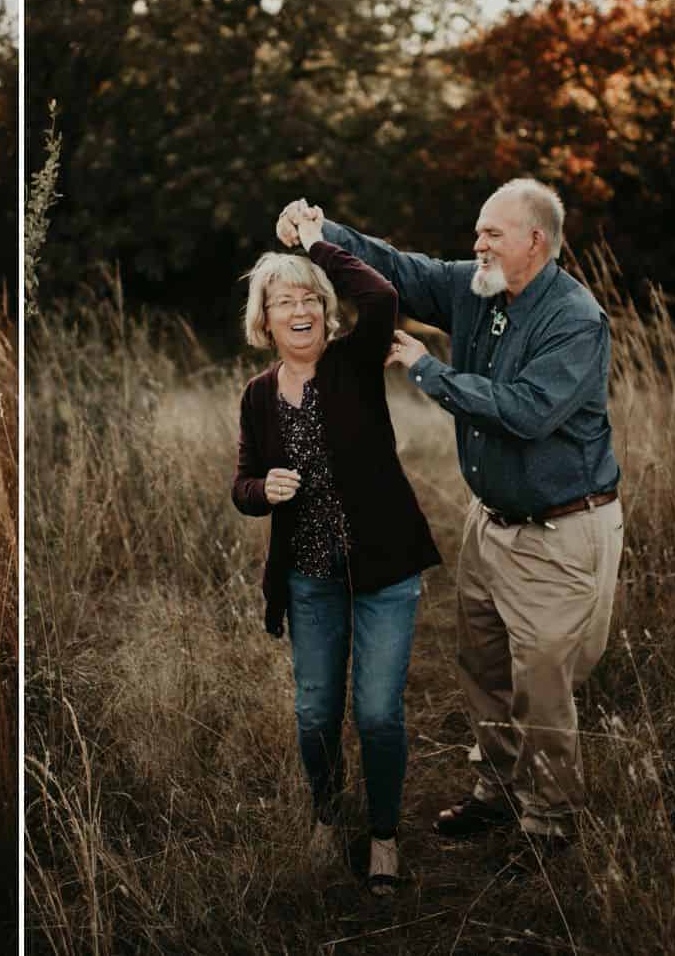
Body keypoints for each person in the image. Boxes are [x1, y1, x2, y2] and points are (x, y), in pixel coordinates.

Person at [287, 181, 623, 856]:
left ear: (536, 240)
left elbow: (526, 412)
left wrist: (427, 370)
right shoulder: (478, 287)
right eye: (478, 232)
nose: (478, 244)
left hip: (560, 530)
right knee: (483, 666)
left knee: (542, 682)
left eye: (492, 233)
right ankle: (497, 792)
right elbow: (401, 269)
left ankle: (549, 822)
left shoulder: (574, 320)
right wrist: (322, 234)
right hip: (491, 521)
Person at [233, 208, 440, 894]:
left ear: (326, 310)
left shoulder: (354, 361)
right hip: (310, 578)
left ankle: (383, 834)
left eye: (310, 299)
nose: (299, 311)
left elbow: (380, 294)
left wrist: (316, 243)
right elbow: (242, 484)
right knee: (315, 713)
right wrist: (263, 489)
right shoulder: (258, 396)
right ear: (265, 320)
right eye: (283, 302)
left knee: (377, 713)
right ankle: (327, 816)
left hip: (384, 568)